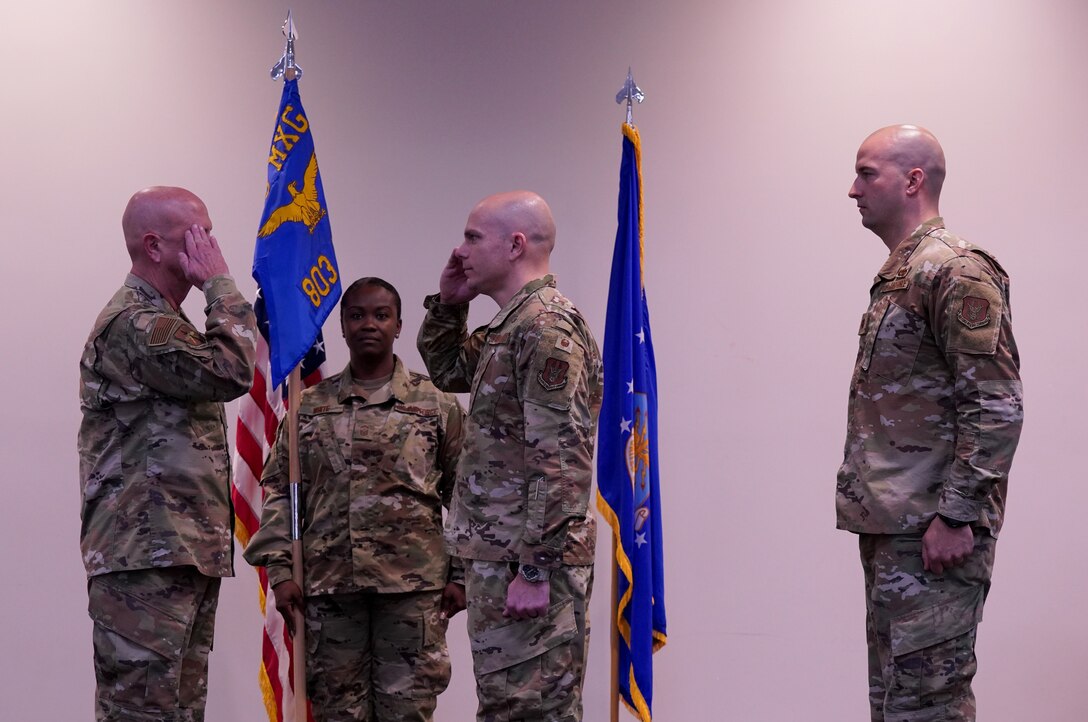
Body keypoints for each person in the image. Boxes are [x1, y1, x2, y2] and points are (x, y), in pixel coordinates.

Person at [837, 126, 1024, 721]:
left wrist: (957, 515)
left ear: (913, 180)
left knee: (929, 710)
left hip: (933, 536)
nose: (852, 190)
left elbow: (995, 404)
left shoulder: (955, 271)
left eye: (867, 174)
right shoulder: (903, 274)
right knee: (899, 707)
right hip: (898, 530)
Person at [416, 191, 603, 722]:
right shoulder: (512, 325)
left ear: (515, 244)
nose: (461, 249)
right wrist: (449, 303)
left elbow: (558, 458)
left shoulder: (547, 328)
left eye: (473, 237)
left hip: (528, 561)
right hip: (502, 558)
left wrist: (537, 567)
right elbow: (449, 370)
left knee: (532, 710)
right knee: (507, 709)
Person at [244, 277, 466, 722]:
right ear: (342, 326)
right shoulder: (308, 407)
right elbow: (281, 493)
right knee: (338, 715)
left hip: (412, 594)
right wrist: (283, 571)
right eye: (357, 315)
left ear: (399, 325)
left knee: (407, 714)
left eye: (381, 315)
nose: (369, 324)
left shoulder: (436, 404)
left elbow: (464, 495)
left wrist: (461, 574)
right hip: (330, 591)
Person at [78, 186, 257, 721]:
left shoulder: (168, 320)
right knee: (142, 712)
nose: (209, 248)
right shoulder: (137, 324)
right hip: (145, 555)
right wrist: (221, 287)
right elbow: (232, 370)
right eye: (195, 236)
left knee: (178, 711)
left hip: (178, 549)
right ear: (154, 246)